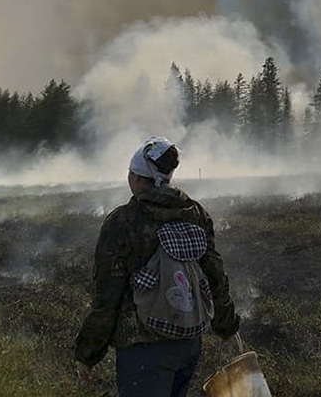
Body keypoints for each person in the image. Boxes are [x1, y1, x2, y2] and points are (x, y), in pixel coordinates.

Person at [75, 137, 240, 397]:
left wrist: (88, 352)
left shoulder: (124, 222)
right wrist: (226, 326)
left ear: (138, 179)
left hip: (143, 350)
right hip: (188, 343)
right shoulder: (194, 213)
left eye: (131, 172)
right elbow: (215, 274)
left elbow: (107, 295)